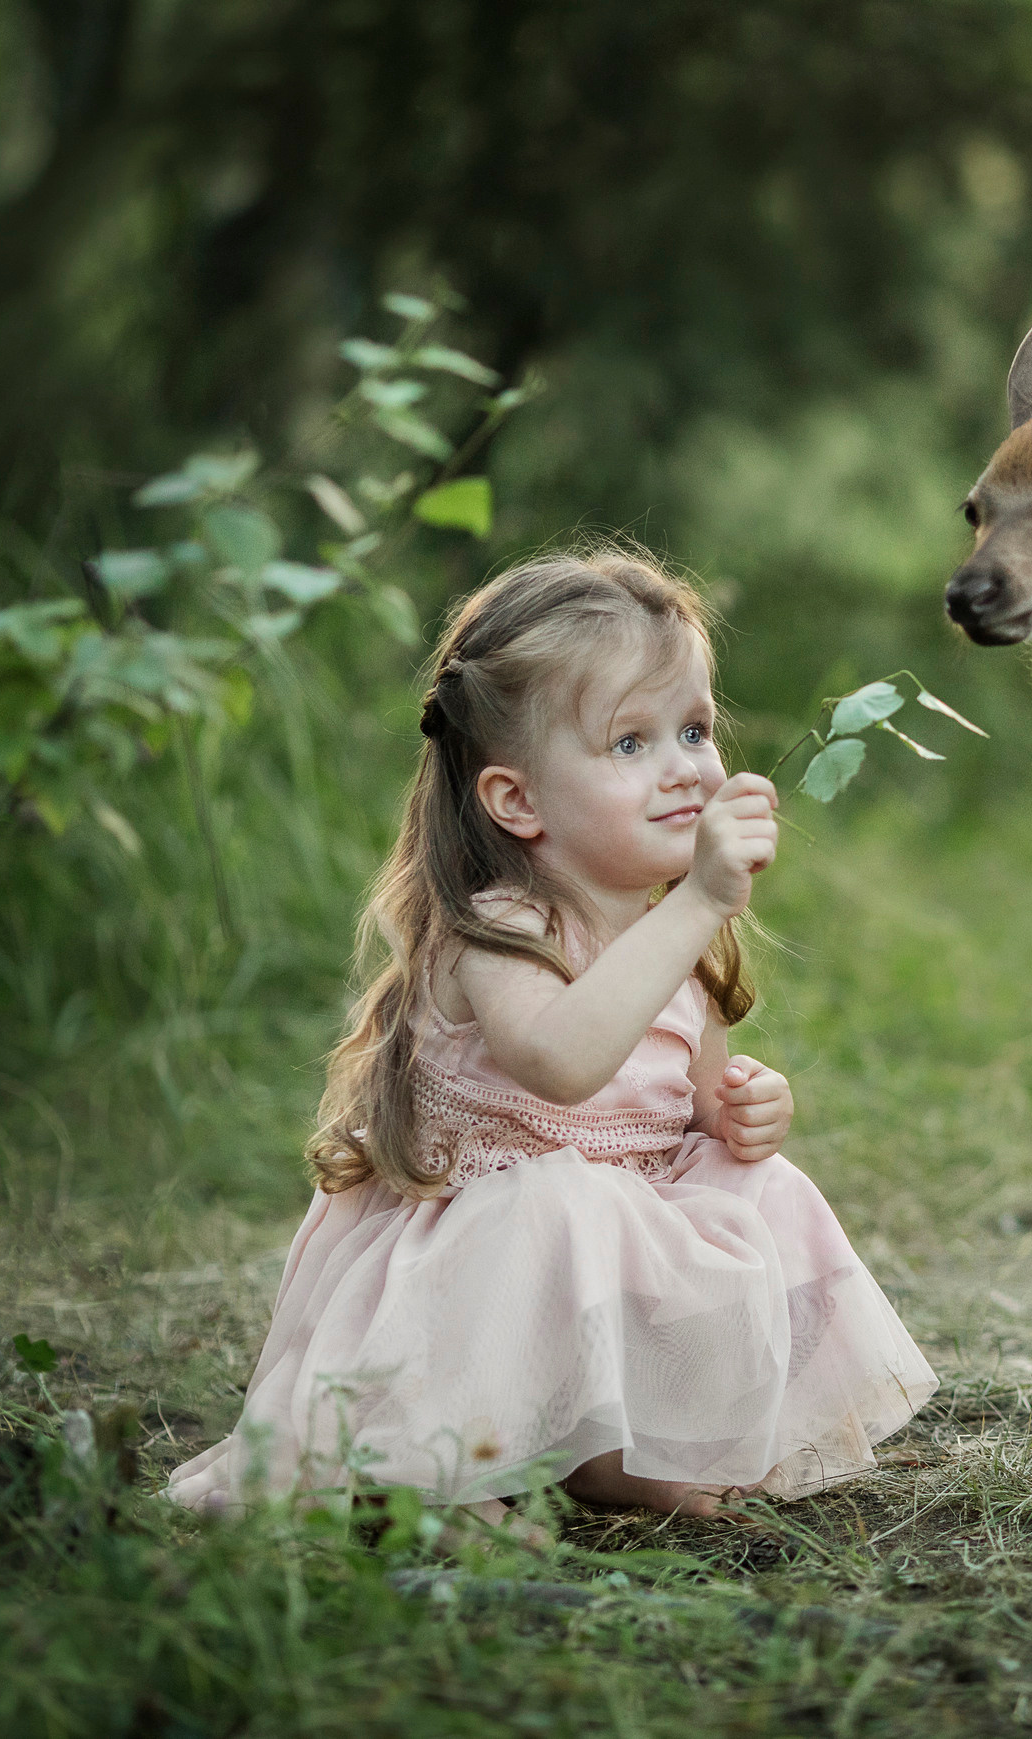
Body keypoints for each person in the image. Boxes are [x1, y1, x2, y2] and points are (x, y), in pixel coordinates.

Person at [166, 547, 937, 1525]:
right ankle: (443, 1469)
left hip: (598, 1260)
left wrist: (746, 1108)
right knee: (562, 1205)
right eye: (630, 742)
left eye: (694, 730)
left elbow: (690, 1106)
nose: (684, 768)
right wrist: (697, 901)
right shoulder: (498, 929)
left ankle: (620, 1451)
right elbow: (564, 1062)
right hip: (471, 1285)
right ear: (516, 800)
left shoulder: (675, 943)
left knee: (755, 1188)